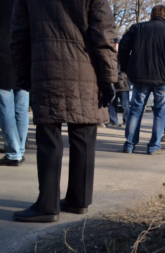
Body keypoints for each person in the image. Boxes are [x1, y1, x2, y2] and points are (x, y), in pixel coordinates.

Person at [11, 0, 117, 222]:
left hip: (46, 66)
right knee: (84, 133)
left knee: (49, 136)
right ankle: (79, 200)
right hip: (86, 70)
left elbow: (20, 34)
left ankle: (47, 205)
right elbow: (104, 34)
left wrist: (22, 73)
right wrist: (109, 78)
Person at [120, 5, 165, 155]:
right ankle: (153, 147)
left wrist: (126, 68)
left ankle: (129, 145)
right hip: (163, 79)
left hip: (139, 77)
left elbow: (123, 48)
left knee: (136, 110)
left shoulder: (136, 28)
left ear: (151, 15)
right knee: (160, 112)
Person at [0, 0, 29, 167]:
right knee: (21, 107)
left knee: (6, 107)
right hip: (23, 54)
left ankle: (13, 152)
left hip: (3, 55)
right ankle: (20, 148)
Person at [107, 38, 131, 128]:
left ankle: (126, 121)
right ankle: (113, 120)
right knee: (112, 104)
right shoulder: (110, 56)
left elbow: (128, 70)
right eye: (114, 45)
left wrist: (119, 76)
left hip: (123, 84)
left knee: (125, 105)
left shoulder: (124, 56)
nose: (115, 46)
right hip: (113, 84)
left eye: (117, 44)